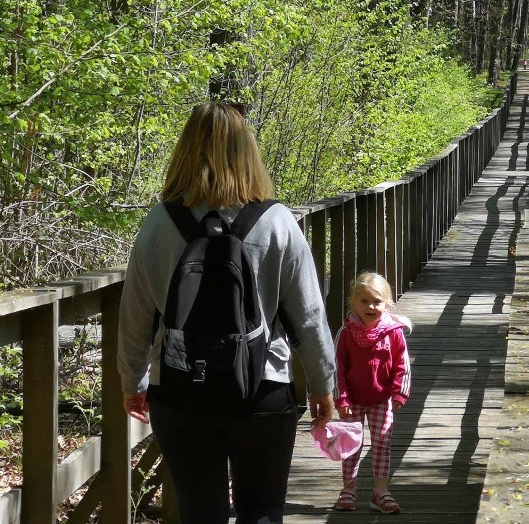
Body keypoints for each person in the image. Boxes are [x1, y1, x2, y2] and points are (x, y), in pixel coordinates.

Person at [117, 102, 337, 524]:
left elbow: (135, 314)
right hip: (262, 389)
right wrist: (323, 384)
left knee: (201, 513)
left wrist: (133, 379)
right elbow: (309, 315)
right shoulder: (277, 222)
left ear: (184, 150)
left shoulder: (159, 223)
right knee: (264, 509)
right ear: (247, 151)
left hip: (180, 390)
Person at [333, 272, 412, 514]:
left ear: (387, 304)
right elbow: (338, 368)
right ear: (353, 303)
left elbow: (402, 364)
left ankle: (380, 491)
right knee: (351, 445)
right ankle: (349, 488)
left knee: (382, 443)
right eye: (364, 301)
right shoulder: (346, 333)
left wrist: (400, 393)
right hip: (352, 400)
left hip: (382, 399)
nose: (371, 306)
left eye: (377, 301)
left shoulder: (393, 332)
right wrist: (341, 397)